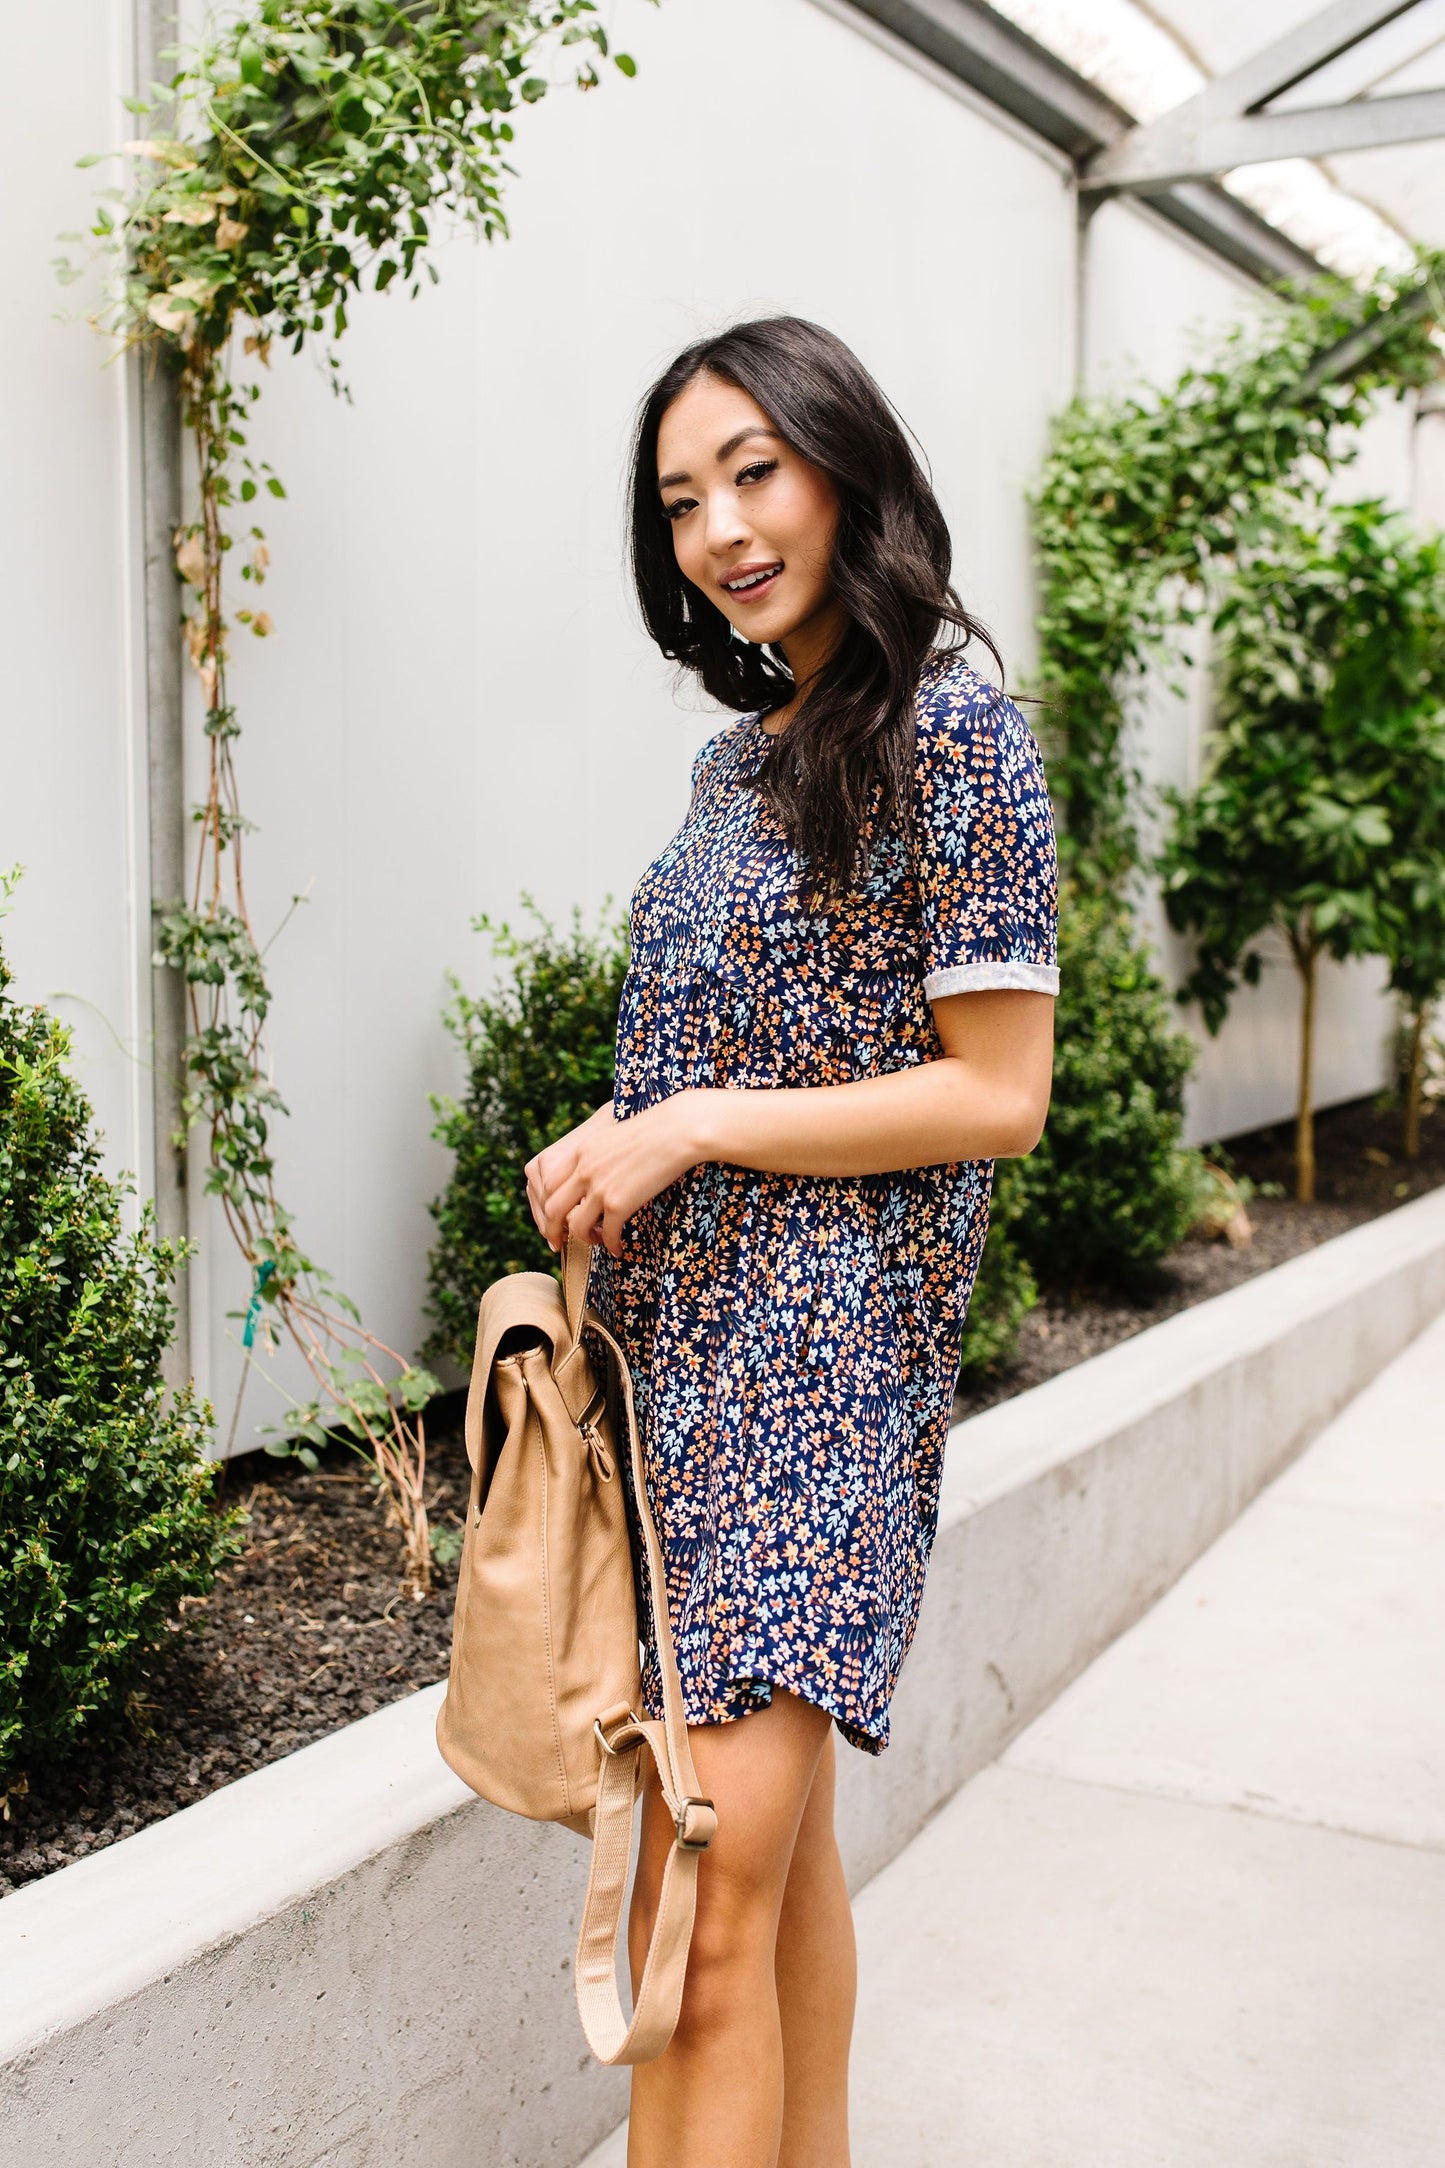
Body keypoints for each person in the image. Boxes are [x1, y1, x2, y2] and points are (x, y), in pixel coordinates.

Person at [524, 316, 1058, 2168]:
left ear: (845, 468)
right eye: (681, 499)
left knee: (695, 1918)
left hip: (820, 1379)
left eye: (755, 470)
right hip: (684, 1372)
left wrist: (694, 1125)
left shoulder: (958, 730)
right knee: (773, 1868)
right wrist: (624, 1128)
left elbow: (996, 1093)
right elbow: (741, 1051)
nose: (723, 528)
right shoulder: (740, 762)